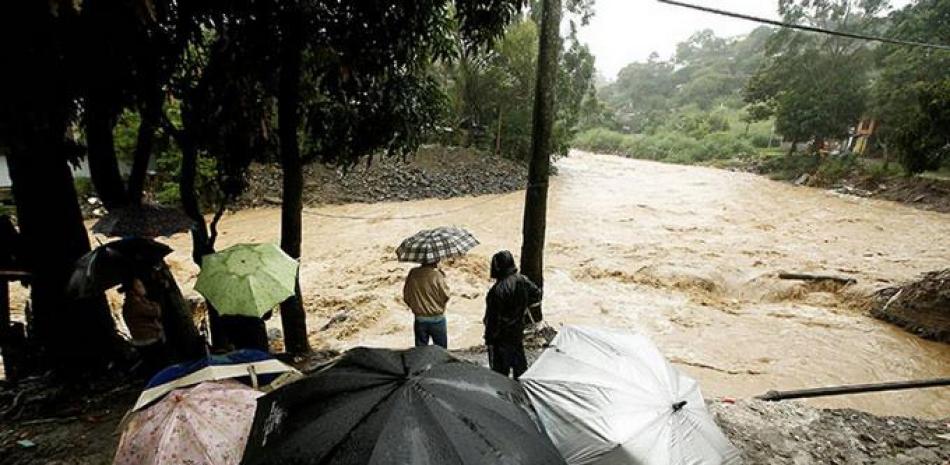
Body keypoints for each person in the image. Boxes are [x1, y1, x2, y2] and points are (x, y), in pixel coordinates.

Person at [483, 250, 542, 379]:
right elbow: (537, 294)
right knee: (520, 370)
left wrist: (489, 339)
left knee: (499, 375)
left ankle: (503, 398)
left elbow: (493, 319)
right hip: (517, 332)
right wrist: (524, 305)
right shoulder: (522, 280)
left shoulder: (496, 291)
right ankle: (521, 396)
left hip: (500, 338)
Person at [121, 278, 168, 376]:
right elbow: (155, 312)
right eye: (139, 286)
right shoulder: (135, 304)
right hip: (149, 341)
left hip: (147, 340)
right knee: (160, 368)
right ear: (133, 290)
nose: (143, 288)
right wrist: (155, 304)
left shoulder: (134, 303)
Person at [403, 260, 450, 348]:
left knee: (420, 353)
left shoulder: (413, 273)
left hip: (419, 319)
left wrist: (415, 307)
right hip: (437, 319)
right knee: (441, 352)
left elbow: (406, 296)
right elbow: (446, 295)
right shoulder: (437, 275)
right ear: (435, 261)